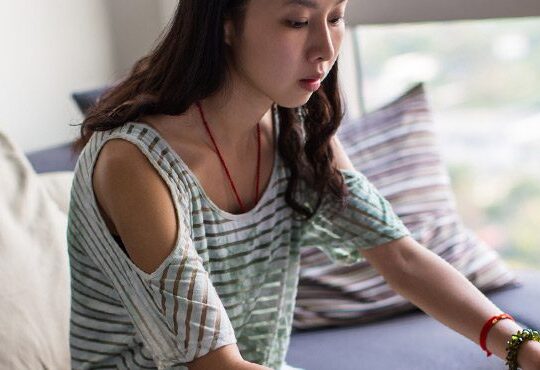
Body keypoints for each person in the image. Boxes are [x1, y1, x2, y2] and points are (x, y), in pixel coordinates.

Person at [68, 0, 540, 369]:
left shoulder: (297, 131)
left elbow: (399, 256)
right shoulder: (134, 164)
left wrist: (520, 344)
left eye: (335, 17)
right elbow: (213, 364)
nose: (327, 48)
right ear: (225, 24)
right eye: (297, 21)